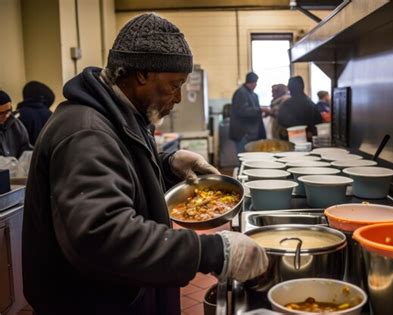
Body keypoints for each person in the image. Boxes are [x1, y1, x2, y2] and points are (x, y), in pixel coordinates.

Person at [22, 13, 268, 315]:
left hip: (121, 294)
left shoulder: (117, 117)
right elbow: (100, 235)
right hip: (91, 304)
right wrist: (212, 251)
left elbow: (118, 178)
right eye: (174, 85)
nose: (178, 97)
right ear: (142, 75)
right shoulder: (85, 131)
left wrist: (166, 166)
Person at [229, 72, 269, 153]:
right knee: (244, 158)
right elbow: (242, 111)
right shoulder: (241, 93)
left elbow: (253, 109)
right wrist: (260, 109)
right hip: (243, 134)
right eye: (255, 83)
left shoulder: (253, 94)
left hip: (251, 133)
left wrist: (261, 112)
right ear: (252, 83)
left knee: (250, 158)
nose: (256, 85)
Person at [277, 76, 323, 140]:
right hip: (309, 141)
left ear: (289, 88)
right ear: (303, 86)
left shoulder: (286, 105)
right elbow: (319, 123)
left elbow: (281, 123)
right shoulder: (311, 104)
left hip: (291, 141)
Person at [0, 90, 31, 158]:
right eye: (1, 113)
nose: (6, 116)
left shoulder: (15, 123)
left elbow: (25, 147)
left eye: (8, 111)